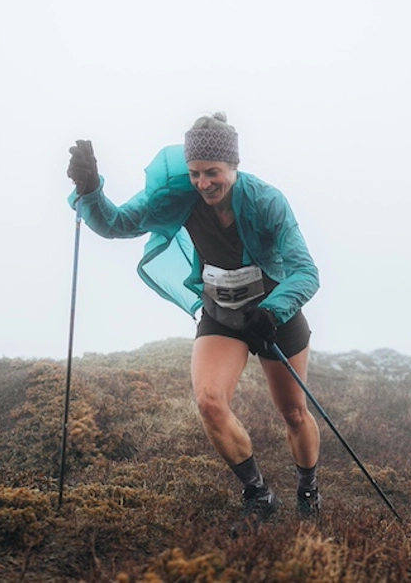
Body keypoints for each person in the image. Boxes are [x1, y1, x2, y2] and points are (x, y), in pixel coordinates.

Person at [66, 112, 322, 520]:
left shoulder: (266, 201)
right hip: (222, 311)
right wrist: (91, 189)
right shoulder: (179, 196)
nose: (204, 183)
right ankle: (258, 495)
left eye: (212, 172)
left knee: (293, 412)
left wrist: (272, 311)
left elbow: (307, 271)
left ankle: (308, 491)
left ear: (233, 167)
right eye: (195, 173)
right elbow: (117, 223)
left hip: (275, 311)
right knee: (208, 401)